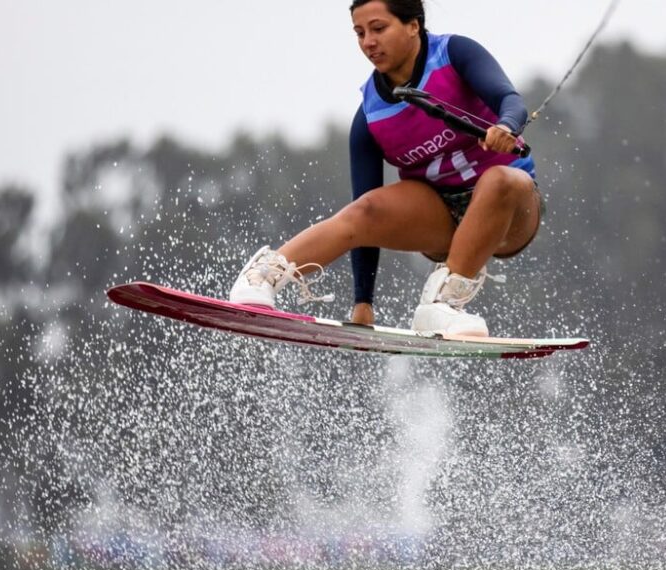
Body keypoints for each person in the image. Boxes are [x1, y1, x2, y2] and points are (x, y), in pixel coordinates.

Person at [230, 0, 542, 336]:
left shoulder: (454, 53)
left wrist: (507, 125)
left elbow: (510, 99)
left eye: (379, 29)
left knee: (501, 180)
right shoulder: (370, 116)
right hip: (439, 222)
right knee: (366, 208)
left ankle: (442, 305)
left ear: (413, 25)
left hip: (510, 212)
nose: (368, 42)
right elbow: (364, 222)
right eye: (360, 33)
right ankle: (262, 278)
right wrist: (363, 301)